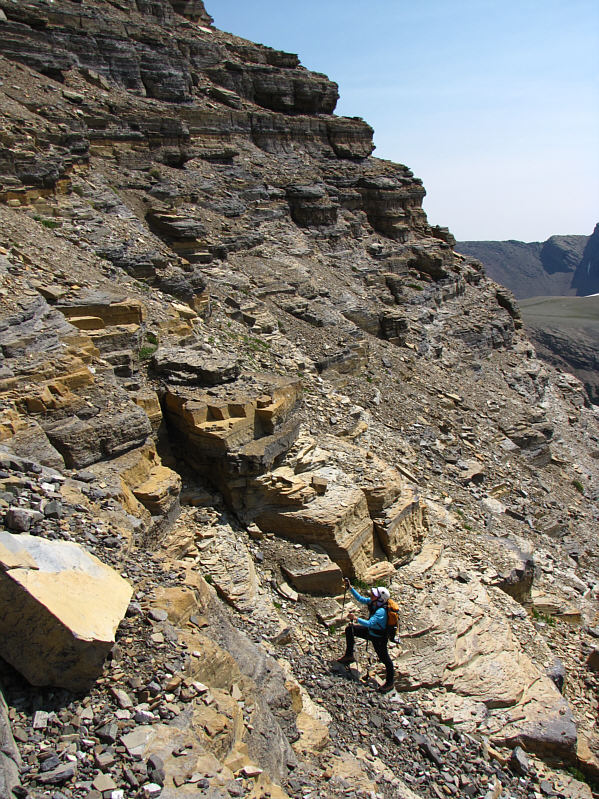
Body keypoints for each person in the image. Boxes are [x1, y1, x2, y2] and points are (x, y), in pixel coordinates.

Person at [336, 577, 395, 693]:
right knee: (350, 629)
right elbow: (361, 599)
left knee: (386, 660)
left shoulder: (381, 612)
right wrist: (350, 588)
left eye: (374, 595)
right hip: (372, 633)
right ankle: (349, 655)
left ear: (379, 599)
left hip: (378, 638)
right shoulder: (375, 603)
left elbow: (369, 623)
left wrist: (356, 618)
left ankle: (390, 682)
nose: (371, 595)